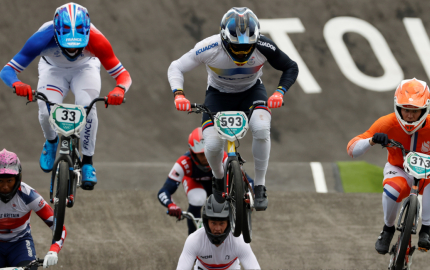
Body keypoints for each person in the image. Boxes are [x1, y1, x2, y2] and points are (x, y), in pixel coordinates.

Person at [168, 7, 298, 211]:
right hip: (218, 96)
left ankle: (261, 185)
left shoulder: (264, 45)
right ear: (223, 38)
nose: (242, 53)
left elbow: (291, 66)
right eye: (236, 48)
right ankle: (219, 179)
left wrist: (279, 92)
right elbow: (176, 67)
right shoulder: (209, 47)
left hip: (252, 92)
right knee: (211, 145)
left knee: (262, 129)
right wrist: (178, 94)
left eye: (248, 48)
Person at [0, 2, 132, 190]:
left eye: (78, 46)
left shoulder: (97, 39)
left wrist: (119, 89)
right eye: (66, 46)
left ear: (86, 35)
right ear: (57, 35)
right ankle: (52, 141)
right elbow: (7, 70)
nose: (72, 52)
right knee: (46, 109)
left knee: (88, 107)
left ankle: (87, 162)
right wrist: (17, 84)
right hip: (53, 69)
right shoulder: (42, 37)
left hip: (86, 68)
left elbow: (123, 75)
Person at [347, 78, 430, 254]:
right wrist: (372, 140)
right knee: (392, 190)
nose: (409, 115)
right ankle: (387, 229)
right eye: (406, 110)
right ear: (397, 107)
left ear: (425, 109)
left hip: (426, 171)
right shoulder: (386, 123)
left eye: (415, 111)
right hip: (398, 169)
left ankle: (426, 230)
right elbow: (352, 149)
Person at [158, 127, 253, 235]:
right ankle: (193, 237)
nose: (207, 157)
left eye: (209, 153)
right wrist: (171, 205)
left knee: (226, 201)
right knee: (197, 199)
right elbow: (164, 191)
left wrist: (249, 195)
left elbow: (248, 181)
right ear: (192, 152)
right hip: (195, 184)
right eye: (202, 154)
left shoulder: (224, 158)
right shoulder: (183, 163)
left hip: (219, 185)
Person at [0, 149, 66, 269]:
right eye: (0, 181)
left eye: (9, 181)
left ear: (18, 178)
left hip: (19, 244)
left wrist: (53, 251)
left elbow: (59, 227)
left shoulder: (29, 196)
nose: (5, 187)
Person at [176, 195, 260, 270]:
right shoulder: (194, 240)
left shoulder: (239, 241)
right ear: (206, 222)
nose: (217, 228)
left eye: (222, 223)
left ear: (229, 223)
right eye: (213, 223)